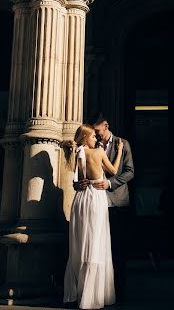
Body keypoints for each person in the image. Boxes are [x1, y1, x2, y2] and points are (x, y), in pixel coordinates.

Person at [74, 114, 134, 302]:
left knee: (115, 249)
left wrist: (109, 183)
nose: (96, 135)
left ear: (105, 125)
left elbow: (129, 171)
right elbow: (76, 176)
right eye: (93, 133)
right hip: (94, 203)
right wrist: (78, 184)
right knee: (94, 247)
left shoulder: (122, 143)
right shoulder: (91, 148)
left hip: (115, 202)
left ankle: (115, 292)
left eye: (97, 131)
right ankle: (94, 291)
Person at [63, 124, 124, 309]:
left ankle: (75, 293)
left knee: (80, 242)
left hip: (81, 199)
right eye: (92, 137)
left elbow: (76, 181)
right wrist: (119, 151)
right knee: (96, 241)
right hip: (96, 197)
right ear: (85, 138)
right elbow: (113, 171)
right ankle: (92, 295)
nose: (95, 139)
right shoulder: (97, 152)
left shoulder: (77, 153)